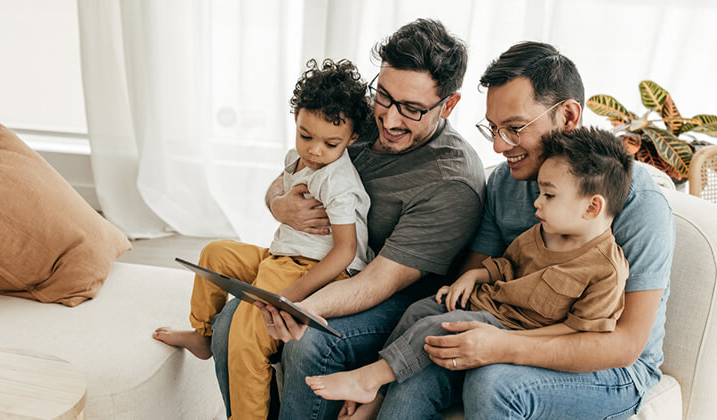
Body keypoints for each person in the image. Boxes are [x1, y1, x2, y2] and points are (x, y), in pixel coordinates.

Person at [374, 41, 675, 420]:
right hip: (514, 325)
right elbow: (476, 284)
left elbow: (625, 344)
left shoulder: (635, 202)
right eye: (494, 129)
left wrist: (503, 346)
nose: (500, 145)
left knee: (494, 383)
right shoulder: (505, 183)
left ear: (567, 116)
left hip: (610, 368)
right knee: (423, 366)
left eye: (515, 128)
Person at [208, 19, 486, 419]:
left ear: (449, 105)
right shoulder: (355, 121)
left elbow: (381, 282)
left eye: (411, 109)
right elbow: (291, 172)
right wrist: (278, 203)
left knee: (308, 341)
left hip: (396, 297)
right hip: (331, 267)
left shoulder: (452, 180)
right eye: (385, 97)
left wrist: (296, 305)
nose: (389, 121)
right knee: (229, 323)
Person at [305, 127, 633, 408]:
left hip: (515, 332)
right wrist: (474, 275)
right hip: (488, 308)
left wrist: (525, 339)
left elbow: (581, 330)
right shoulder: (539, 234)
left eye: (548, 195)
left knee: (441, 327)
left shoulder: (606, 269)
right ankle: (381, 383)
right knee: (421, 311)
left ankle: (370, 379)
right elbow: (505, 266)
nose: (537, 202)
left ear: (592, 207)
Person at [152, 58, 377, 419]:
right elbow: (278, 192)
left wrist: (291, 295)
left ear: (351, 139)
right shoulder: (298, 159)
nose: (315, 150)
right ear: (295, 122)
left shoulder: (339, 182)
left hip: (317, 268)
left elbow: (346, 251)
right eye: (306, 136)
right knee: (215, 253)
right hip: (281, 256)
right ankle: (205, 336)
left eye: (330, 143)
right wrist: (277, 204)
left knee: (246, 333)